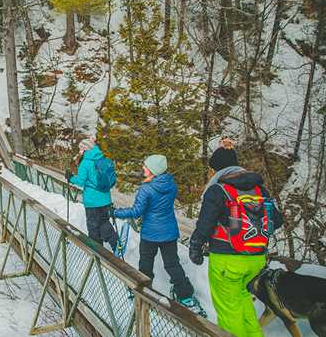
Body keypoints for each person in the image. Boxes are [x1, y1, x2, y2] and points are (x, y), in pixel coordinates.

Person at [189, 139, 284, 336]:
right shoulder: (259, 188)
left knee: (228, 311)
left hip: (227, 260)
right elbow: (278, 220)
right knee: (243, 302)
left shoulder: (218, 190)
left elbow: (205, 225)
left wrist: (195, 248)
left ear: (216, 169)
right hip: (257, 259)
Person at [110, 155, 204, 315]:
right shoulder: (171, 185)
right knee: (172, 264)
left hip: (151, 234)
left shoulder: (146, 189)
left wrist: (115, 212)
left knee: (146, 262)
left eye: (146, 166)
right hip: (169, 232)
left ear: (153, 170)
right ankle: (185, 295)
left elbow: (136, 211)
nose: (143, 168)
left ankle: (143, 289)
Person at [66, 138, 118, 251]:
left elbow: (80, 181)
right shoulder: (102, 158)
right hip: (106, 199)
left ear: (85, 149)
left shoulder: (85, 162)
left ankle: (96, 251)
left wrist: (70, 177)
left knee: (93, 226)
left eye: (80, 149)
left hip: (92, 201)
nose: (79, 152)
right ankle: (115, 242)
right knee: (103, 221)